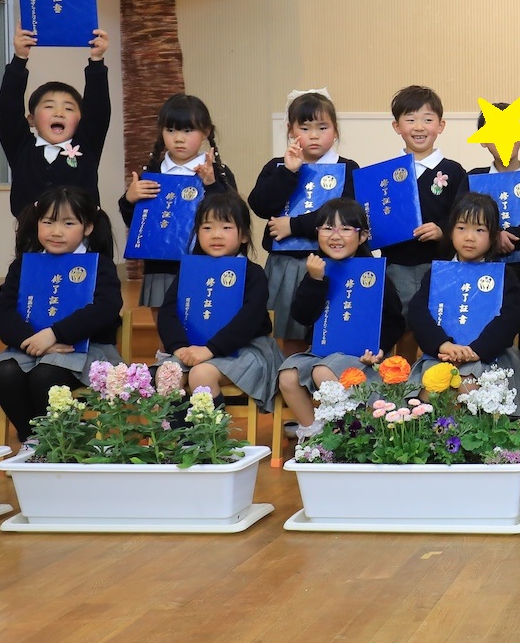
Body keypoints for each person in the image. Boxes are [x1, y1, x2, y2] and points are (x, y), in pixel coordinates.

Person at [0, 186, 123, 443]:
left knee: (46, 376)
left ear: (88, 227)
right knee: (5, 373)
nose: (56, 231)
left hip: (86, 350)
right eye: (48, 222)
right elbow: (2, 310)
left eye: (68, 223)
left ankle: (60, 442)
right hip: (30, 347)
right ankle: (33, 440)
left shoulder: (99, 265)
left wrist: (54, 334)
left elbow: (106, 308)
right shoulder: (24, 264)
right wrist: (32, 341)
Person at [277, 197, 405, 440]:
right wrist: (314, 280)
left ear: (363, 236)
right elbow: (302, 316)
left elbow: (395, 321)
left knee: (322, 372)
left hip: (362, 358)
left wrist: (380, 348)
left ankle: (350, 436)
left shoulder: (374, 272)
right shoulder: (316, 269)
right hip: (320, 353)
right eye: (327, 228)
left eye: (345, 229)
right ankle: (316, 436)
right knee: (287, 377)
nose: (335, 236)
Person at [248, 89, 361, 344]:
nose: (314, 135)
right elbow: (260, 206)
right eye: (305, 127)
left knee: (330, 329)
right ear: (291, 130)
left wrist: (294, 225)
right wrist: (288, 172)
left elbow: (348, 214)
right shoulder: (277, 166)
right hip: (285, 263)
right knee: (285, 332)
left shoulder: (347, 168)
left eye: (322, 127)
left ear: (335, 131)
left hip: (332, 262)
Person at [407, 192, 520, 417]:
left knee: (469, 385)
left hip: (489, 357)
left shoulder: (505, 277)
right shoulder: (436, 274)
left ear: (494, 236)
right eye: (462, 228)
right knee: (432, 388)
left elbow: (509, 320)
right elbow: (418, 313)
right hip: (441, 356)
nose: (469, 237)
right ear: (450, 231)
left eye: (480, 230)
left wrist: (476, 351)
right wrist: (443, 345)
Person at [156, 190, 281, 405]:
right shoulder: (189, 271)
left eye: (226, 227)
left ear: (244, 235)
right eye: (207, 228)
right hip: (194, 347)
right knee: (168, 374)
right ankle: (175, 427)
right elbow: (168, 311)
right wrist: (179, 348)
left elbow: (249, 319)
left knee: (201, 375)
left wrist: (210, 349)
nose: (216, 235)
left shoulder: (253, 273)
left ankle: (210, 428)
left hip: (245, 349)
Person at [119, 92, 236, 311]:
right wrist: (129, 199)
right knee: (164, 321)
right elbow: (138, 225)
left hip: (205, 263)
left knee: (202, 317)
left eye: (187, 130)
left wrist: (211, 184)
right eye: (170, 130)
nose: (178, 138)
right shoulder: (153, 173)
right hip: (160, 267)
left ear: (205, 132)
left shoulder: (217, 172)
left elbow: (232, 217)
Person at [467, 102, 520, 375]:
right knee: (476, 334)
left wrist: (508, 236)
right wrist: (493, 236)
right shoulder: (473, 180)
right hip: (476, 271)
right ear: (483, 140)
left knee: (519, 337)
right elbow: (461, 219)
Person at [382, 85, 471, 339]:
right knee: (400, 326)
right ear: (396, 126)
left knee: (438, 324)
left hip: (440, 263)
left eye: (428, 120)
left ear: (441, 125)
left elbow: (462, 215)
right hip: (396, 265)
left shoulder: (453, 171)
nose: (419, 127)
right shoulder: (385, 173)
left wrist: (442, 230)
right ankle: (401, 366)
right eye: (410, 120)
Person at [0, 23, 110, 218]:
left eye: (68, 108)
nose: (59, 113)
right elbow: (8, 110)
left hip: (81, 234)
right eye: (49, 106)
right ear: (31, 119)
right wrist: (19, 59)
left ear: (80, 120)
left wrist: (97, 61)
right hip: (31, 234)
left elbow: (98, 111)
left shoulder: (86, 146)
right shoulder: (21, 147)